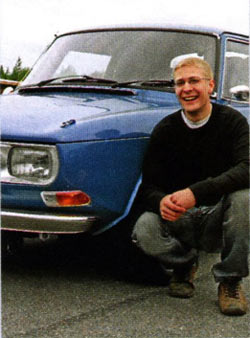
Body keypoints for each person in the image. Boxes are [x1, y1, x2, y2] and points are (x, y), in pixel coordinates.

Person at [132, 57, 249, 316]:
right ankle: (184, 265)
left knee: (245, 198)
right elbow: (148, 185)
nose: (187, 89)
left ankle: (230, 280)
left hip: (218, 216)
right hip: (180, 218)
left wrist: (194, 193)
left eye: (194, 81)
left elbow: (247, 169)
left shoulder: (233, 122)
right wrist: (160, 201)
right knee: (144, 228)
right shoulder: (165, 129)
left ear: (211, 86)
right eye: (180, 83)